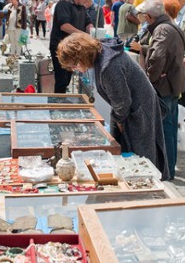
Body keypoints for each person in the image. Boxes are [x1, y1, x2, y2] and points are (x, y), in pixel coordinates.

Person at [57, 33, 169, 179]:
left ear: (82, 55)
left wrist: (119, 121)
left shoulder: (108, 67)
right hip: (135, 106)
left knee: (141, 157)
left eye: (74, 64)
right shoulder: (101, 54)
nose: (74, 69)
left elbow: (122, 102)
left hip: (139, 110)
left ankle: (144, 187)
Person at [129, 0, 185, 180]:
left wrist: (150, 78)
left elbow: (157, 57)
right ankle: (169, 168)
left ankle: (167, 171)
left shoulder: (162, 30)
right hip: (170, 85)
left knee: (166, 130)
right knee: (168, 128)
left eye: (143, 16)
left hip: (165, 87)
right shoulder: (167, 26)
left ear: (149, 16)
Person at [49, 0, 93, 93]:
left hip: (73, 47)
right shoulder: (64, 4)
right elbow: (64, 26)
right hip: (60, 47)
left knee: (67, 78)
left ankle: (62, 102)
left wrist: (93, 31)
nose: (88, 0)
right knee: (61, 79)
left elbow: (88, 22)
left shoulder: (81, 7)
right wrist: (83, 35)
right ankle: (58, 105)